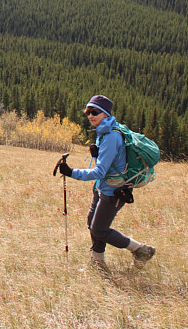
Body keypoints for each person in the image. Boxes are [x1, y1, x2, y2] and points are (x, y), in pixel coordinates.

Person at [55, 94, 155, 273]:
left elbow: (100, 171)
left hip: (113, 192)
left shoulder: (110, 136)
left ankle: (141, 250)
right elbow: (110, 163)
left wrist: (71, 172)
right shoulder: (105, 131)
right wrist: (97, 154)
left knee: (99, 229)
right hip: (103, 188)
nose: (90, 116)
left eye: (95, 112)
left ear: (106, 114)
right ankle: (97, 262)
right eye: (88, 112)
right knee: (91, 223)